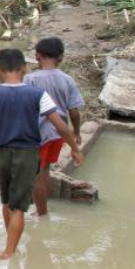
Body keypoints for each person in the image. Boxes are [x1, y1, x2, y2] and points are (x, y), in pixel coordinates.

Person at [0, 48, 83, 260]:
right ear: (24, 69)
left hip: (2, 154)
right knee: (20, 207)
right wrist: (75, 149)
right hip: (28, 154)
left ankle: (10, 241)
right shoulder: (37, 94)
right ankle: (10, 252)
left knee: (6, 201)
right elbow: (60, 126)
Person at [24, 37, 85, 217]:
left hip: (38, 133)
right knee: (46, 170)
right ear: (61, 57)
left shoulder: (30, 79)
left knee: (37, 174)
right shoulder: (67, 80)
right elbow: (74, 112)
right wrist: (77, 133)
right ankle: (43, 209)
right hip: (59, 134)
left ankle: (41, 213)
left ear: (37, 57)